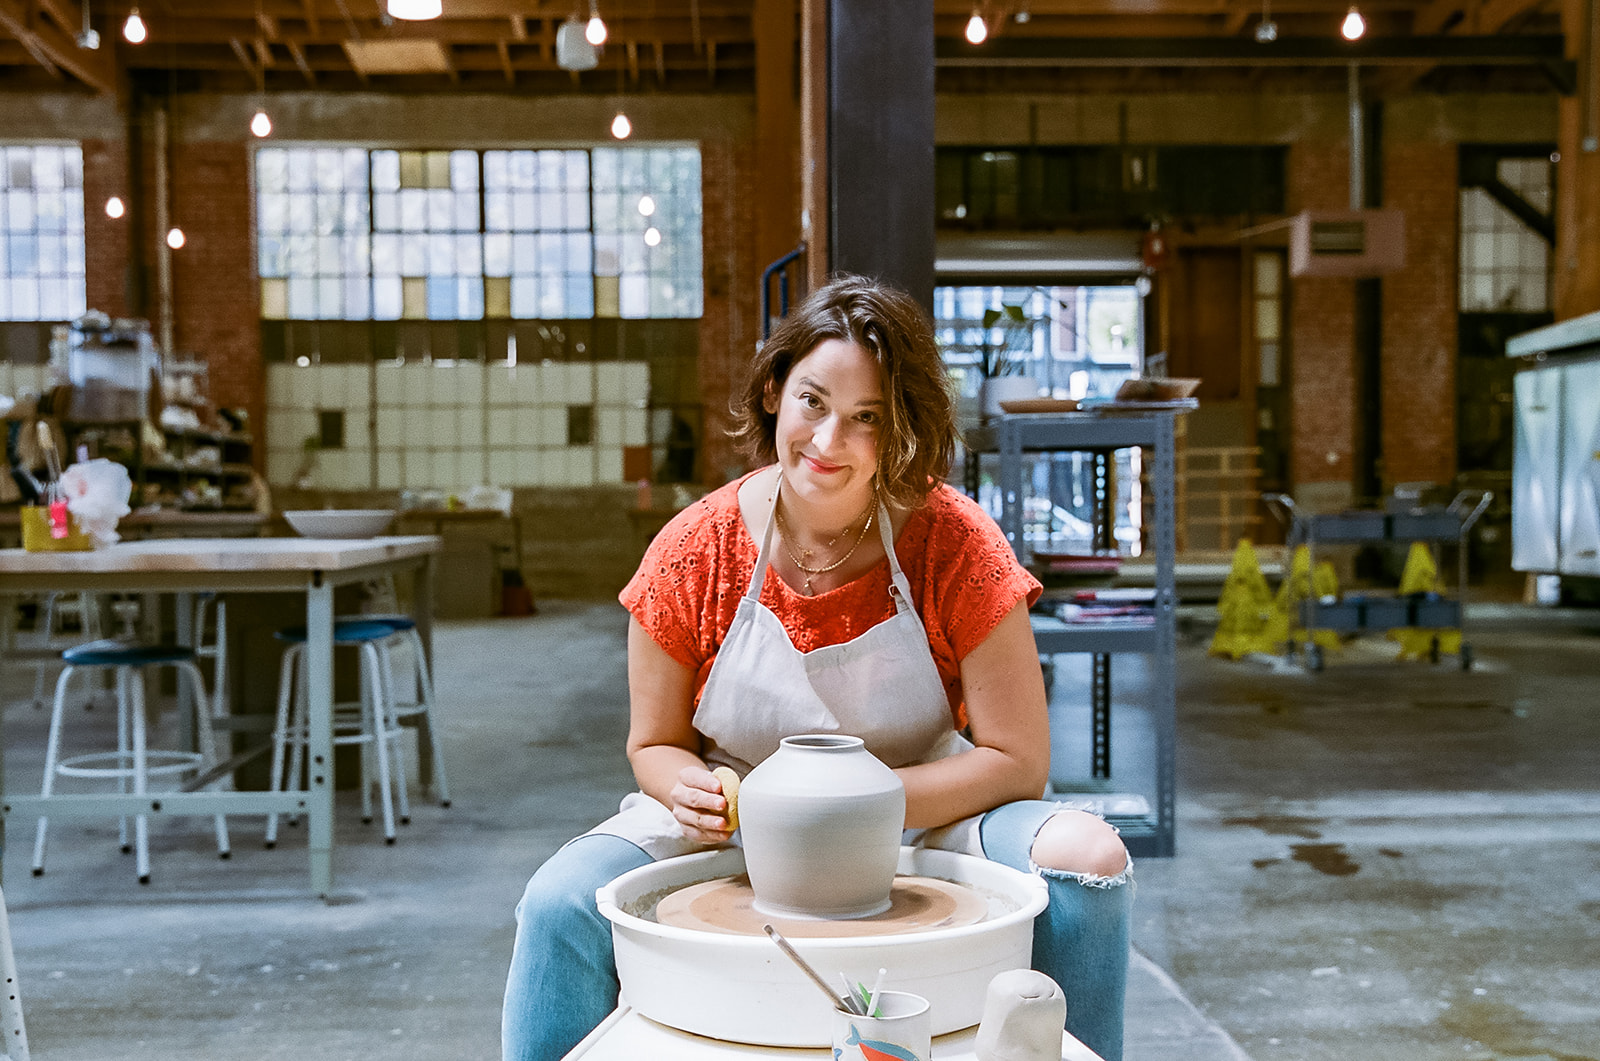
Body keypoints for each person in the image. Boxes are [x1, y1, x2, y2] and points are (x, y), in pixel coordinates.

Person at [502, 274, 1132, 1060]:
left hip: (924, 803)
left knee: (1090, 860)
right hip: (737, 817)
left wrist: (856, 806)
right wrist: (689, 790)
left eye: (866, 418)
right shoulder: (695, 549)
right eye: (812, 402)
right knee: (558, 902)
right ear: (773, 390)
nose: (829, 441)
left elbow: (1020, 759)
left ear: (898, 427)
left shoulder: (955, 543)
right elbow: (652, 744)